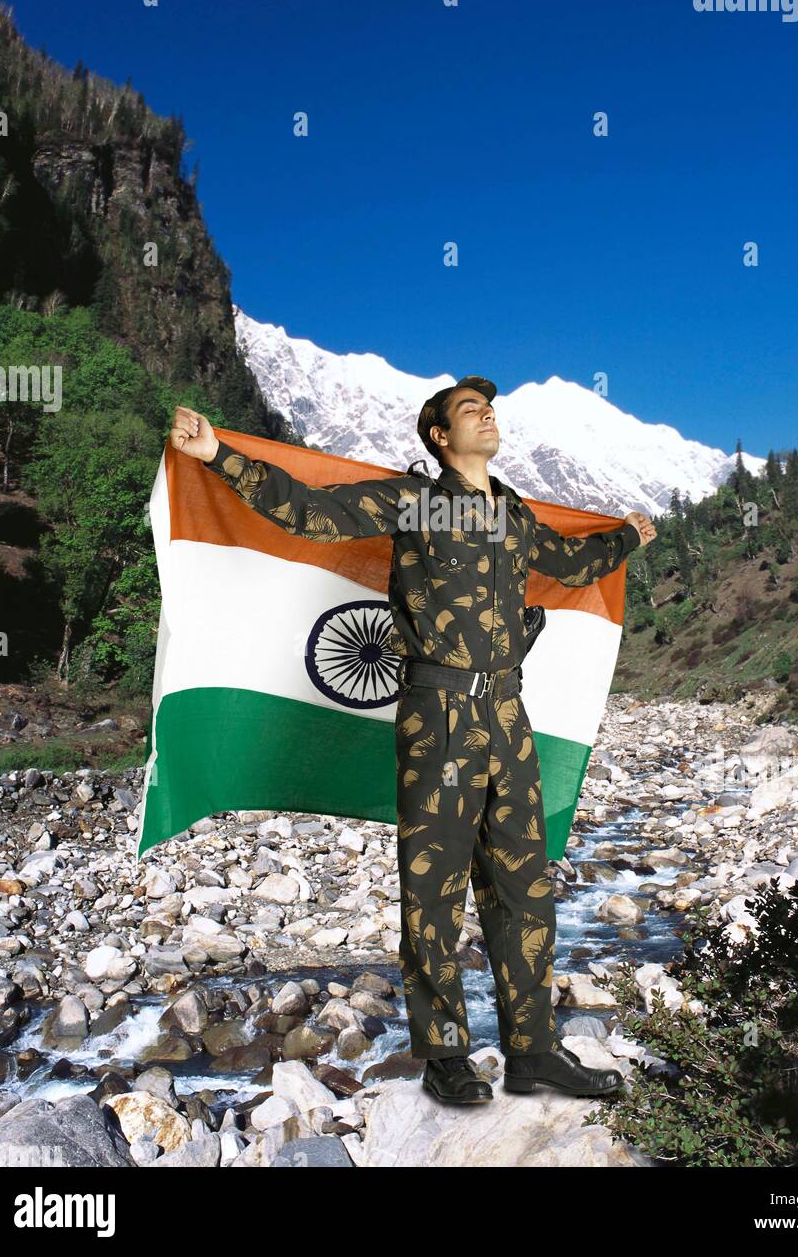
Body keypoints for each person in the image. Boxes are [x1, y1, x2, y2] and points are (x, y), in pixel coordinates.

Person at [170, 377, 656, 1104]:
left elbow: (569, 563)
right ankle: (444, 1057)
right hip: (441, 714)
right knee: (434, 892)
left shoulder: (513, 512)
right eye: (468, 410)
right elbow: (308, 511)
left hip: (508, 716)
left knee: (525, 889)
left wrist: (626, 536)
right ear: (437, 436)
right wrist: (219, 455)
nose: (485, 415)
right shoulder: (414, 498)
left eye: (488, 407)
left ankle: (533, 1052)